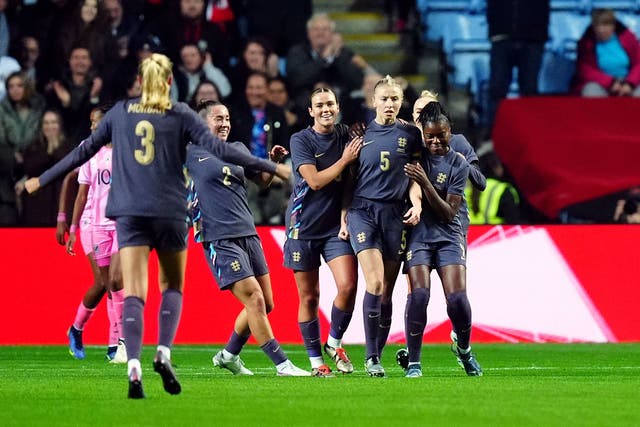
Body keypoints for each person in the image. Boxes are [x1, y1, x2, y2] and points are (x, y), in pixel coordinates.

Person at [25, 53, 291, 399]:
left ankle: (133, 363)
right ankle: (163, 350)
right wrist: (276, 168)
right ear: (168, 82)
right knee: (172, 288)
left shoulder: (119, 113)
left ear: (139, 82)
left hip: (128, 210)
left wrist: (41, 180)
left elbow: (83, 152)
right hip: (168, 209)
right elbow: (219, 148)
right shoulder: (179, 113)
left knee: (133, 291)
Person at [186, 100, 309, 376]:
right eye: (218, 118)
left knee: (266, 302)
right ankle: (282, 364)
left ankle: (229, 355)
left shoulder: (238, 149)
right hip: (218, 237)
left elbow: (262, 180)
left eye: (227, 118)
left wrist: (273, 161)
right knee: (254, 298)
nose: (225, 123)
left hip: (249, 232)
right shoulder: (191, 153)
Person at [343, 75, 422, 377]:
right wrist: (344, 212)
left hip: (395, 215)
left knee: (386, 291)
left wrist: (416, 202)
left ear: (401, 102)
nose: (389, 104)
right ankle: (370, 357)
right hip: (364, 211)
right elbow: (349, 179)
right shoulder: (360, 134)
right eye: (384, 99)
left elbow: (415, 176)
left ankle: (377, 351)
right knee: (374, 283)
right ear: (373, 102)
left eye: (395, 99)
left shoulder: (411, 135)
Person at [284, 88, 362, 376]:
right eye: (319, 105)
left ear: (338, 106)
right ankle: (317, 362)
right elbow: (315, 181)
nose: (325, 108)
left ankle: (334, 342)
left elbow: (350, 182)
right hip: (302, 227)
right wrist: (344, 160)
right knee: (309, 297)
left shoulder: (346, 136)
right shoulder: (301, 139)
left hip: (333, 228)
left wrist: (344, 216)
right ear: (311, 111)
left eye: (330, 103)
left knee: (349, 285)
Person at [402, 101, 483, 377]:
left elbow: (449, 213)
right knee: (419, 294)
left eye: (442, 134)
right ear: (422, 134)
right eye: (430, 136)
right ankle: (414, 362)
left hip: (449, 235)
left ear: (451, 132)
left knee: (457, 299)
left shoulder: (458, 164)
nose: (436, 141)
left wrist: (425, 183)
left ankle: (464, 349)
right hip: (419, 236)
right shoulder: (414, 156)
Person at [63, 104, 126, 363]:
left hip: (121, 223)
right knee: (103, 284)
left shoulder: (128, 148)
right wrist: (72, 228)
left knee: (116, 282)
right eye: (90, 123)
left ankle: (116, 344)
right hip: (94, 222)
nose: (92, 127)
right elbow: (81, 192)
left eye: (96, 122)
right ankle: (76, 329)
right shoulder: (88, 149)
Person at [229, 71, 291, 225]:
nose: (255, 92)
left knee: (288, 176)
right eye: (251, 87)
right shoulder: (236, 112)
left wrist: (276, 166)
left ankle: (279, 219)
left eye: (259, 88)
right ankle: (254, 221)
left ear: (267, 90)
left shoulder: (276, 113)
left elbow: (284, 142)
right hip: (245, 169)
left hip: (272, 165)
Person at [486, 0, 550, 132]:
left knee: (529, 90)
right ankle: (494, 133)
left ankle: (529, 133)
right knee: (497, 88)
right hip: (501, 37)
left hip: (533, 39)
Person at [286, 13, 365, 114]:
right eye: (316, 29)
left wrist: (337, 55)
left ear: (333, 34)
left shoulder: (343, 53)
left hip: (341, 108)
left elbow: (356, 81)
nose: (320, 33)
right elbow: (297, 79)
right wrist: (323, 58)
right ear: (308, 33)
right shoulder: (297, 52)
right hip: (306, 108)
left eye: (325, 29)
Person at [572, 8, 640, 97]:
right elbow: (585, 69)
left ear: (613, 26)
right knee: (590, 91)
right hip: (601, 83)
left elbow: (638, 63)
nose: (601, 30)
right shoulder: (586, 43)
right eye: (597, 26)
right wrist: (611, 83)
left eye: (605, 25)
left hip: (628, 81)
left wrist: (630, 83)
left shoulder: (628, 38)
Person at [466, 145, 521, 224]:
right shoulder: (502, 190)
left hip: (469, 235)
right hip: (495, 234)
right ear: (496, 168)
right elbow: (514, 223)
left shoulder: (466, 189)